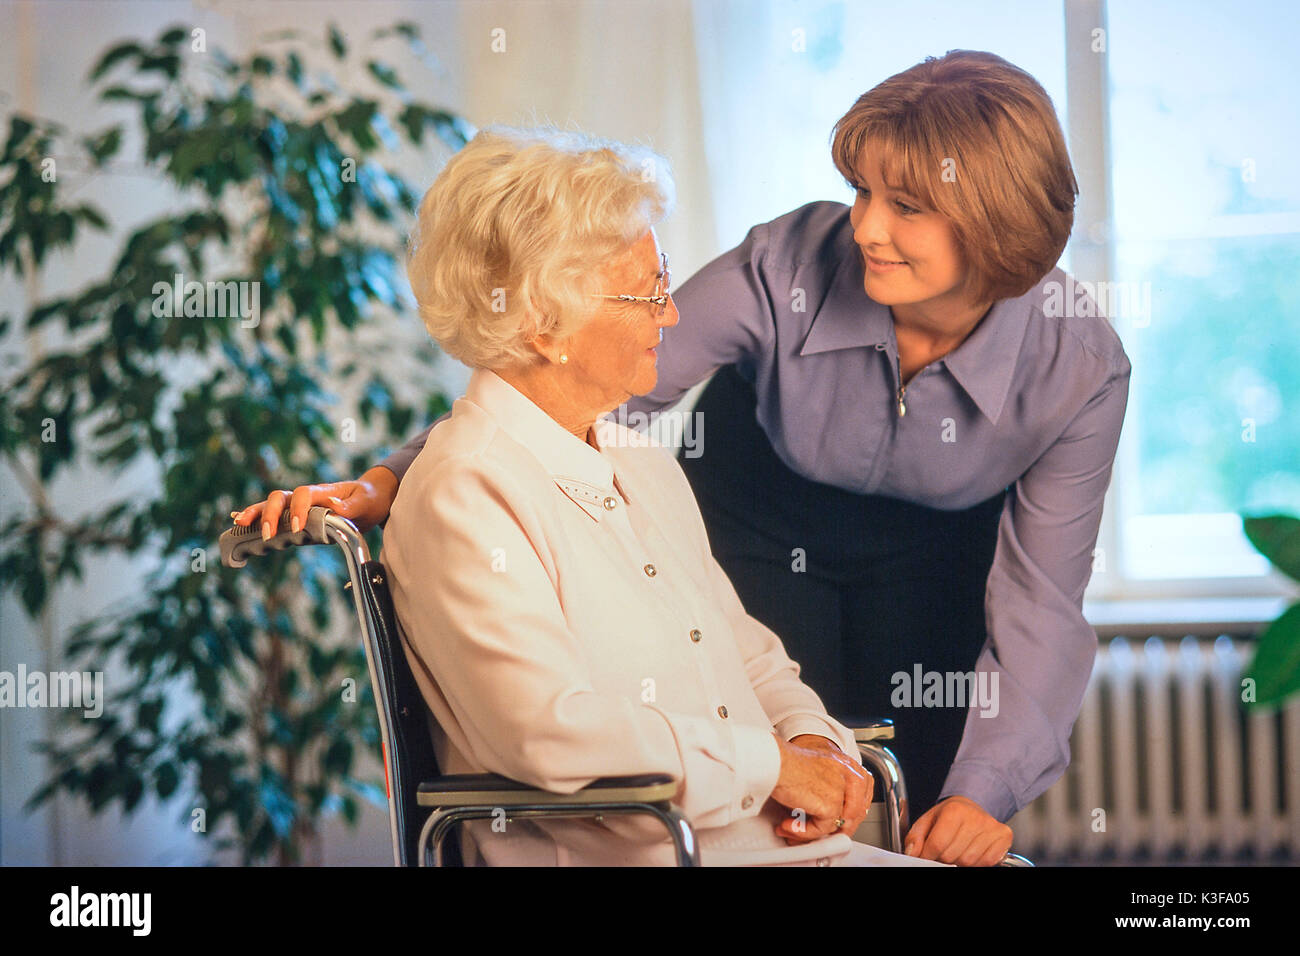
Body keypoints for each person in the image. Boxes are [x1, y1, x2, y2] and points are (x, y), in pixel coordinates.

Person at [237, 51, 1129, 866]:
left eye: (906, 205)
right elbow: (554, 390)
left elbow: (1039, 605)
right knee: (764, 773)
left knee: (918, 797)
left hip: (937, 552)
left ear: (992, 223)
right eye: (859, 192)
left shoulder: (1077, 364)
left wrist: (952, 786)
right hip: (762, 509)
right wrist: (391, 478)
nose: (863, 228)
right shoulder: (783, 269)